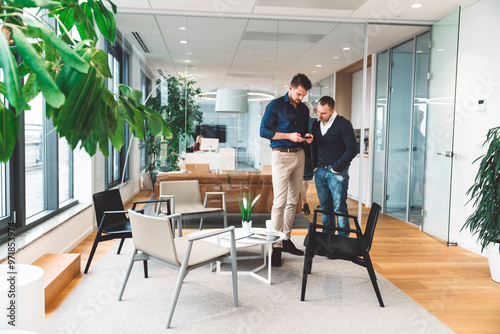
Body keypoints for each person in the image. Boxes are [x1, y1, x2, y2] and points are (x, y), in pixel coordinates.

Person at [260, 73, 313, 267]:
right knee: (280, 202)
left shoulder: (304, 109)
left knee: (294, 200)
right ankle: (276, 245)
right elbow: (263, 131)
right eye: (299, 94)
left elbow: (304, 131)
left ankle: (287, 238)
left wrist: (307, 137)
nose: (301, 98)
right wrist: (288, 136)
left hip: (299, 155)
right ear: (290, 88)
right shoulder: (275, 105)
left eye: (303, 95)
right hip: (281, 155)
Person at [311, 96, 357, 237]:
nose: (319, 115)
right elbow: (314, 145)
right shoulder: (315, 124)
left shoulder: (343, 124)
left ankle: (343, 241)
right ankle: (328, 237)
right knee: (325, 207)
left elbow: (353, 149)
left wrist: (337, 167)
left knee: (339, 208)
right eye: (317, 111)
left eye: (323, 113)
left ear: (332, 111)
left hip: (337, 172)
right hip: (320, 171)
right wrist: (314, 166)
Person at [301, 101, 316, 215]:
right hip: (311, 154)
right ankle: (303, 202)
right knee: (306, 180)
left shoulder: (300, 122)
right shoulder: (315, 122)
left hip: (301, 152)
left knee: (301, 180)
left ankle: (303, 202)